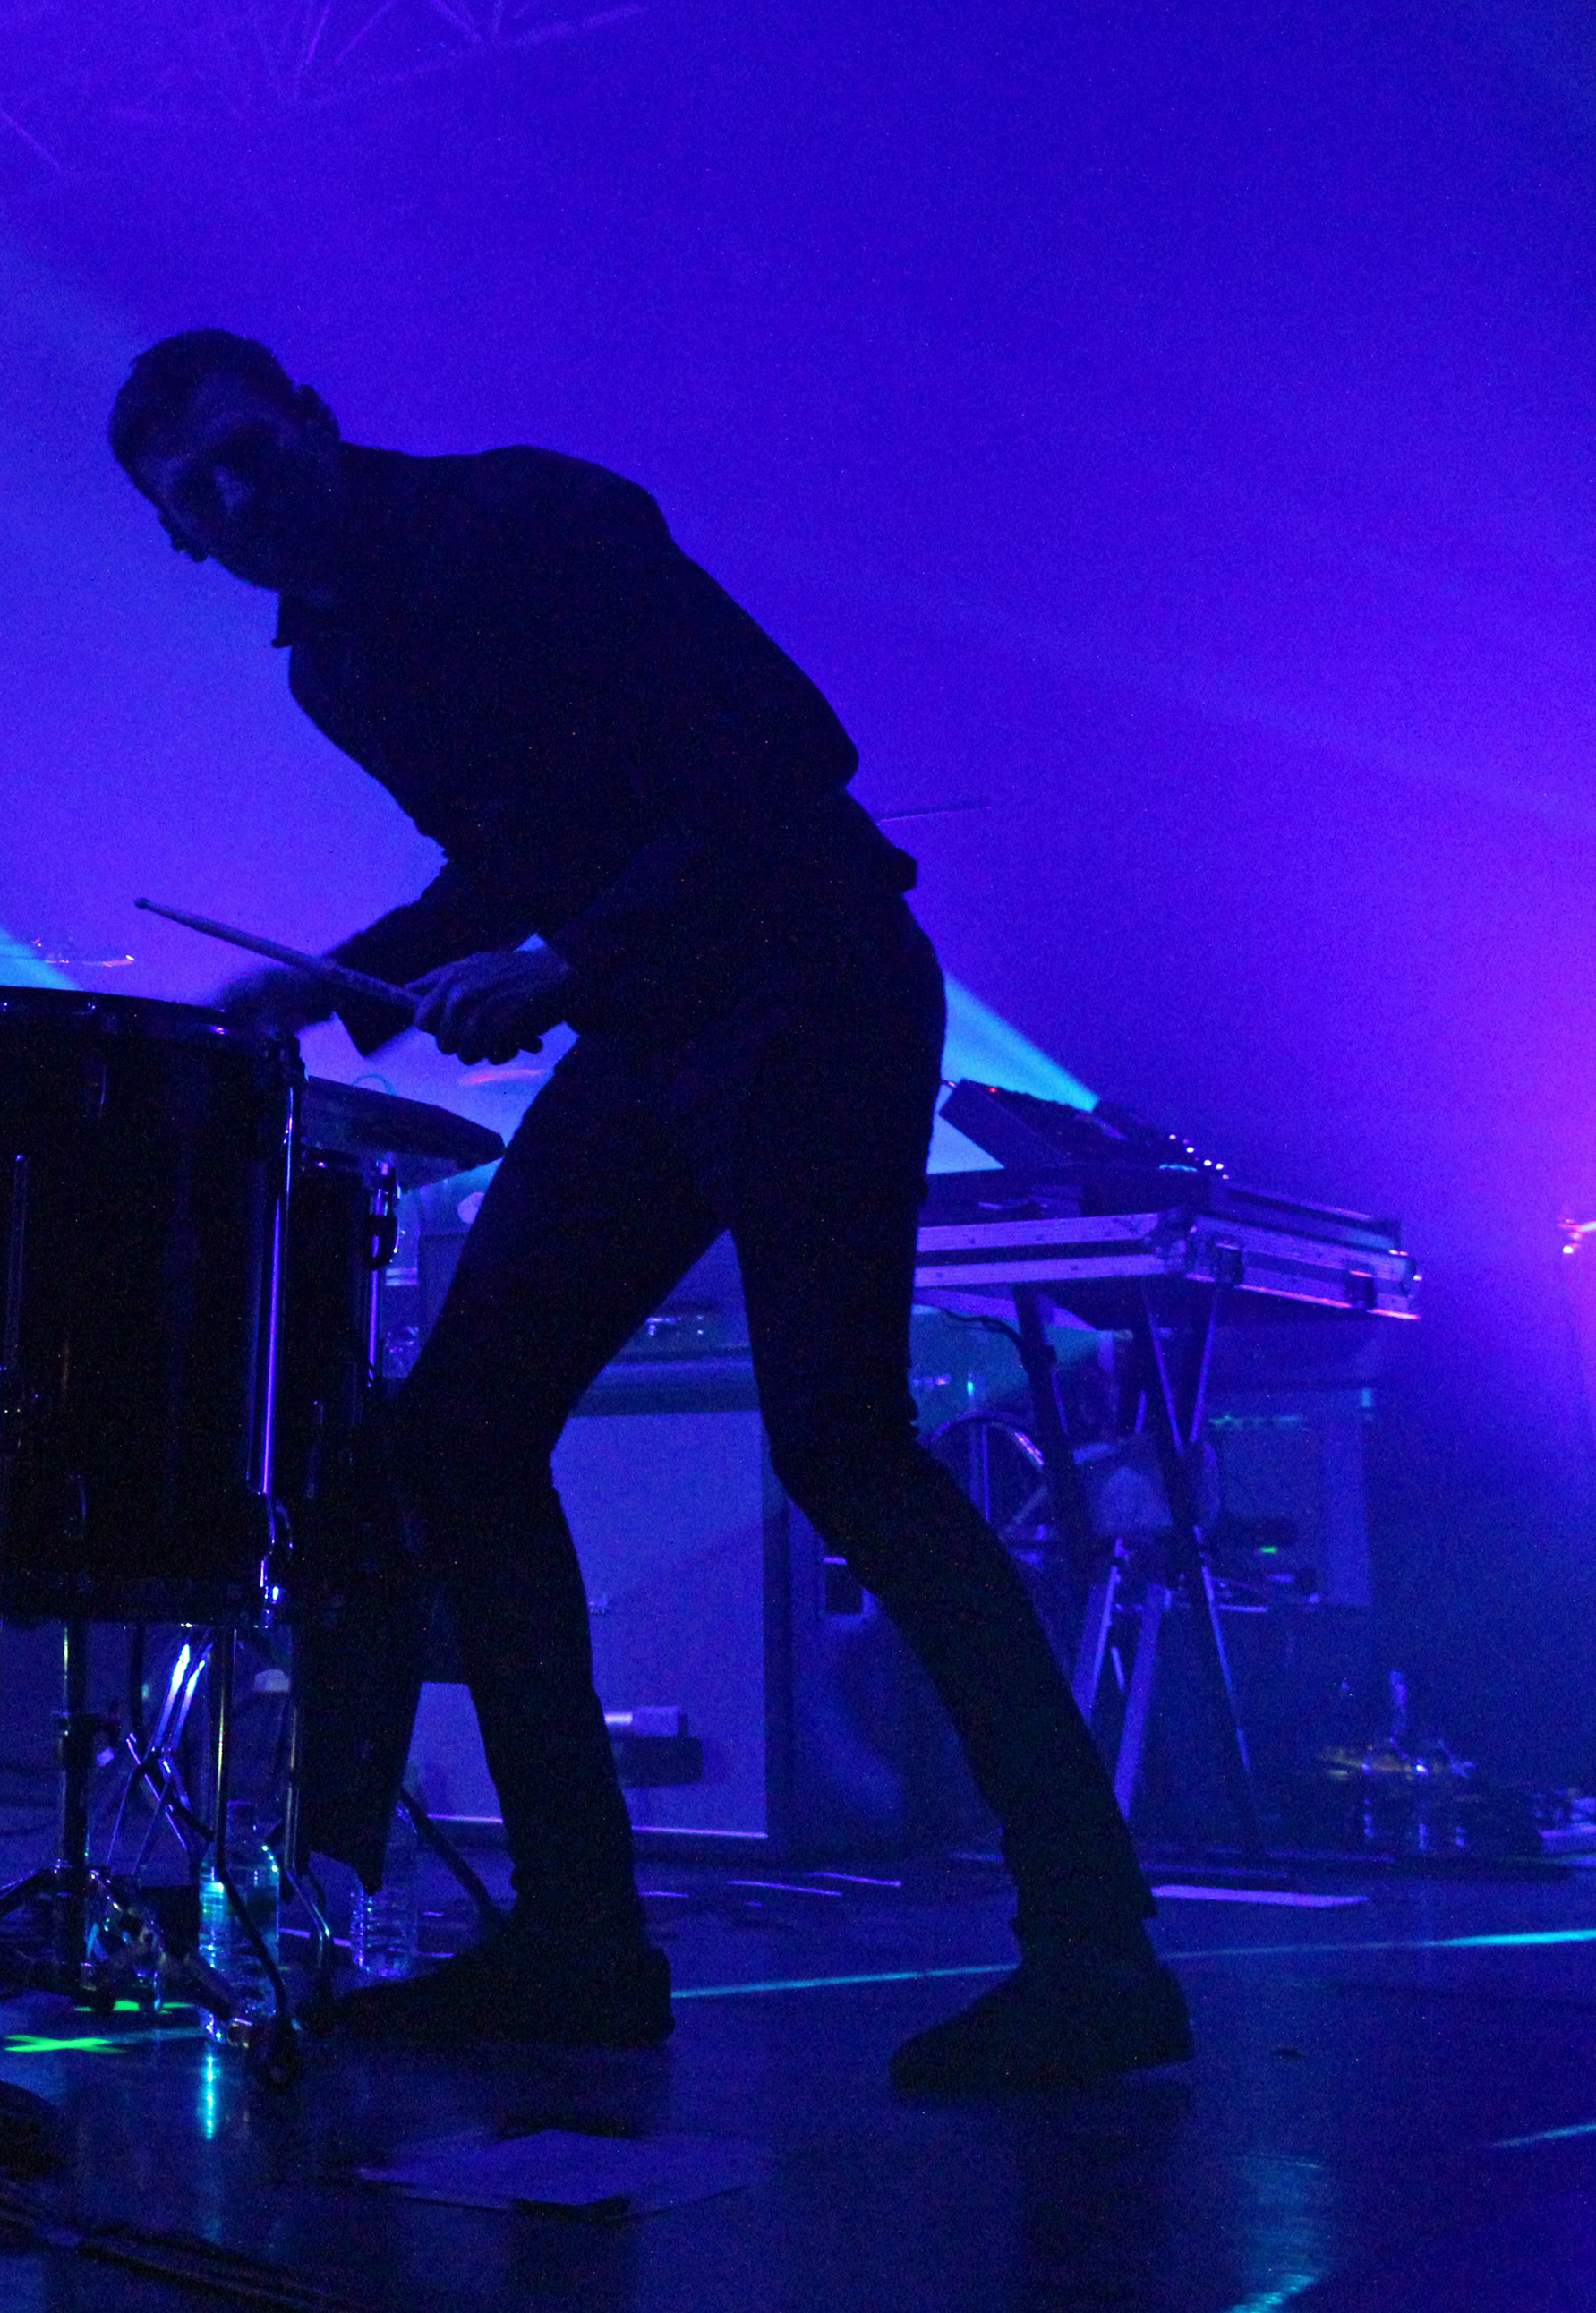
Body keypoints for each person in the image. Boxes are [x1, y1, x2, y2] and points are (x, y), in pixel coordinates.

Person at [109, 330, 1184, 2094]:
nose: (239, 497)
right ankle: (584, 1944)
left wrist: (566, 963)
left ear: (310, 415)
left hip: (807, 979)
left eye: (246, 451)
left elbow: (783, 753)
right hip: (660, 1023)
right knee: (459, 1438)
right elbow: (525, 851)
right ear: (184, 540)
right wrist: (344, 979)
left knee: (846, 1444)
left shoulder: (523, 516)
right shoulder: (337, 667)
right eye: (199, 496)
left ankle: (1096, 1947)